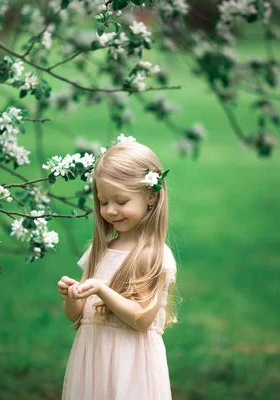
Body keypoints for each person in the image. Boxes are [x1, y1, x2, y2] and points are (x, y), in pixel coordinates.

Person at [57, 139, 178, 400]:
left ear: (150, 196)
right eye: (103, 202)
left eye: (121, 201)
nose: (110, 211)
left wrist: (102, 289)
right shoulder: (99, 251)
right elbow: (77, 316)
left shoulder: (154, 256)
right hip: (93, 361)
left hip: (131, 367)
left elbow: (142, 319)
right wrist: (71, 297)